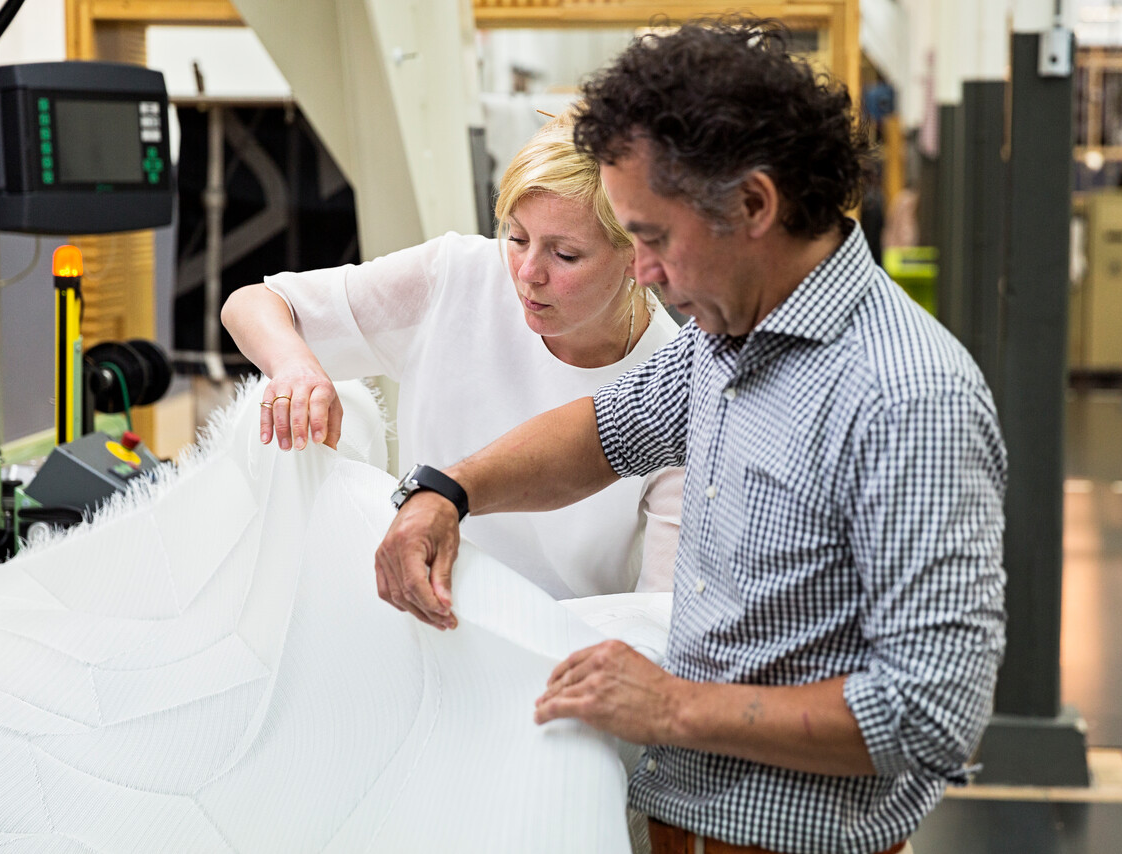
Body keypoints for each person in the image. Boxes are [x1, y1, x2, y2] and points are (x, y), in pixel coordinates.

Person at [377, 17, 1007, 854]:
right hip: (681, 822)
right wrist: (447, 492)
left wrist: (672, 707)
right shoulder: (725, 338)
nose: (640, 271)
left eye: (651, 236)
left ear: (753, 205)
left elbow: (933, 715)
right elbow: (605, 432)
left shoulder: (906, 399)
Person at [222, 112, 683, 605]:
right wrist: (296, 365)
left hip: (559, 645)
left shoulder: (675, 383)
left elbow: (658, 610)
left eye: (564, 255)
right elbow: (252, 303)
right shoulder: (458, 277)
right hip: (413, 604)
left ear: (639, 256)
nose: (528, 272)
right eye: (518, 236)